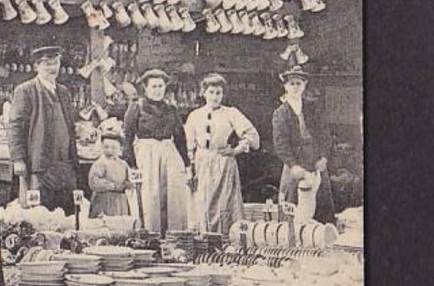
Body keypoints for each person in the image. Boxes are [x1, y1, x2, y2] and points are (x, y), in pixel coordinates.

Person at [185, 72, 261, 235]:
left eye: (218, 93)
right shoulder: (194, 115)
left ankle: (226, 239)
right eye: (211, 92)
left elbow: (253, 137)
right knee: (202, 202)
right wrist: (190, 169)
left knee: (224, 204)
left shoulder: (231, 113)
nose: (214, 97)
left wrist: (235, 149)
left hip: (224, 163)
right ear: (203, 92)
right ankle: (204, 240)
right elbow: (189, 146)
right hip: (202, 163)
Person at [6, 45, 79, 214]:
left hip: (65, 166)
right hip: (40, 166)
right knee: (38, 213)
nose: (52, 68)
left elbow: (68, 124)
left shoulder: (63, 91)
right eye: (47, 64)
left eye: (55, 63)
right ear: (37, 66)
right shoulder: (25, 91)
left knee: (67, 215)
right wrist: (18, 159)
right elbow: (15, 125)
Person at [123, 68, 192, 233]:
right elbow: (127, 138)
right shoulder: (136, 107)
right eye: (153, 86)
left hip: (169, 154)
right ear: (146, 88)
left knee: (172, 196)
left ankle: (173, 236)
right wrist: (131, 164)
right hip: (146, 155)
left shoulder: (171, 110)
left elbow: (180, 138)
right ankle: (150, 234)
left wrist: (186, 164)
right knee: (149, 196)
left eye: (160, 86)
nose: (157, 90)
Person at [271, 67, 336, 225]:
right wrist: (293, 165)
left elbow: (324, 134)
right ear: (286, 86)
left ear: (304, 85)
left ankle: (323, 239)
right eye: (291, 83)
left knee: (322, 202)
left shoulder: (313, 108)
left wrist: (324, 157)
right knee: (292, 205)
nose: (295, 87)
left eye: (298, 83)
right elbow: (280, 143)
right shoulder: (280, 113)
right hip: (294, 162)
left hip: (315, 159)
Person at [87, 132, 133, 219]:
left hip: (120, 200)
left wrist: (128, 184)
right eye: (106, 147)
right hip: (103, 199)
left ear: (120, 148)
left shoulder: (123, 164)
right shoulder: (100, 163)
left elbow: (129, 179)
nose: (109, 150)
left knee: (120, 222)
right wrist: (114, 186)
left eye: (113, 148)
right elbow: (94, 182)